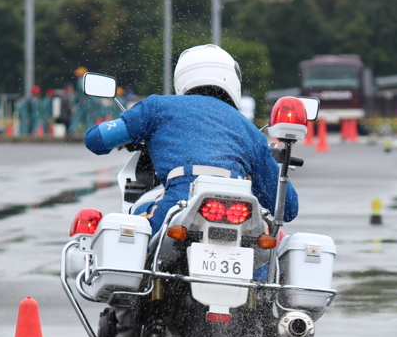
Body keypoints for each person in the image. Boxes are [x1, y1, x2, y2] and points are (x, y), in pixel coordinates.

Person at [84, 44, 298, 235]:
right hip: (238, 215)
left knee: (132, 222)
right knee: (260, 254)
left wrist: (130, 132)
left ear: (181, 78)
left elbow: (95, 139)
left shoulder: (158, 107)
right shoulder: (251, 131)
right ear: (233, 80)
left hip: (179, 199)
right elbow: (287, 208)